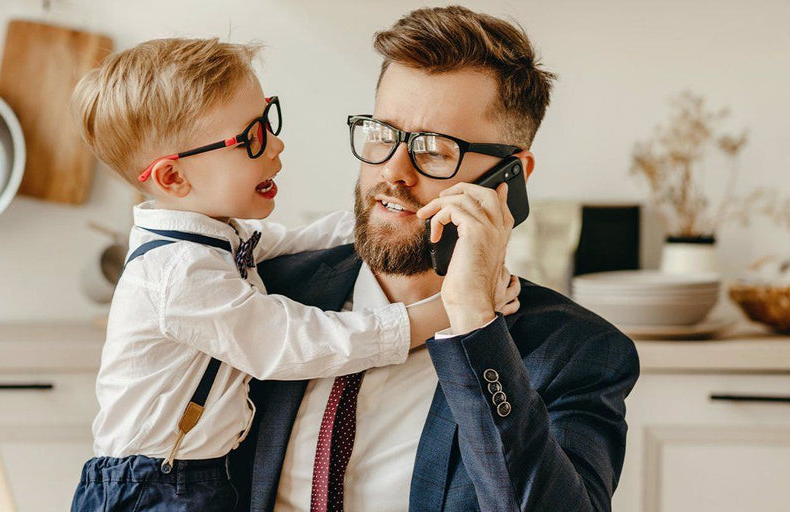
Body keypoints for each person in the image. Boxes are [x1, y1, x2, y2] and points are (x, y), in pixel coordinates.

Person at [67, 37, 522, 511]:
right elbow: (298, 342)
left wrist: (398, 210)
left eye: (267, 118)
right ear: (172, 179)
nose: (277, 143)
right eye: (251, 139)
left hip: (192, 475)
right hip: (154, 488)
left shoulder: (216, 237)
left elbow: (304, 236)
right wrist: (454, 309)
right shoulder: (179, 273)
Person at [230, 6, 640, 511]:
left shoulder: (576, 353)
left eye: (436, 150)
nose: (394, 171)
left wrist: (473, 325)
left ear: (511, 176)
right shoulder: (263, 292)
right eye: (383, 134)